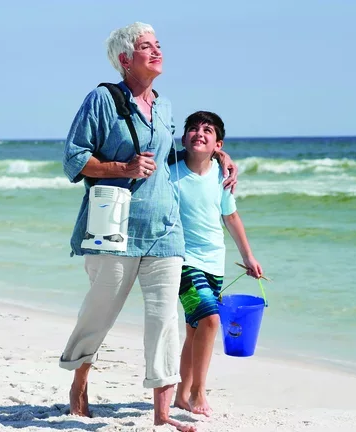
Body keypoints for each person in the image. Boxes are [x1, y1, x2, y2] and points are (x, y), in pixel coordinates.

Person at [59, 23, 238, 432]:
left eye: (158, 45)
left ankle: (162, 412)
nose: (157, 51)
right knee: (99, 314)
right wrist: (121, 168)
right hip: (113, 228)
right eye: (146, 47)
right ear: (125, 59)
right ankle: (79, 383)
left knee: (164, 320)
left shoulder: (165, 105)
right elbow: (73, 159)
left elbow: (172, 150)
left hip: (165, 230)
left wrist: (222, 154)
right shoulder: (101, 100)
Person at [170, 111, 263, 417]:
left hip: (215, 263)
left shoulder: (222, 176)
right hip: (183, 262)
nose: (199, 133)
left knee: (196, 330)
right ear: (183, 139)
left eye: (207, 131)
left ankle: (181, 395)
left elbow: (231, 216)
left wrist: (248, 256)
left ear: (217, 143)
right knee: (211, 319)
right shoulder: (171, 170)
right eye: (193, 129)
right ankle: (198, 391)